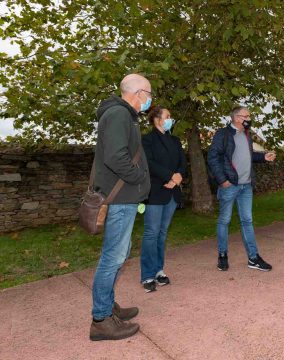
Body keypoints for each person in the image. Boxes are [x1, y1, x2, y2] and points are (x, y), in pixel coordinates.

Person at [89, 74, 151, 341]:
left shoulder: (123, 115)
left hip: (125, 198)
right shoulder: (118, 114)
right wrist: (138, 177)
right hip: (120, 198)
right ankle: (101, 320)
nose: (150, 100)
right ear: (137, 93)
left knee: (118, 255)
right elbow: (116, 157)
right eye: (149, 94)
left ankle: (107, 305)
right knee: (112, 257)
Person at [207, 106, 276, 271]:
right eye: (247, 116)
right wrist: (222, 180)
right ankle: (222, 255)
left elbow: (249, 156)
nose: (249, 118)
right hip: (229, 186)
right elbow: (212, 157)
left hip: (246, 186)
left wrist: (263, 157)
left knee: (247, 221)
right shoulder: (222, 134)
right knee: (224, 220)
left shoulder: (246, 135)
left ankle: (253, 258)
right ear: (237, 118)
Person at [140, 105, 186, 293]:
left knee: (162, 233)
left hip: (172, 192)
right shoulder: (147, 140)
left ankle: (159, 270)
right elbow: (148, 163)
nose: (170, 119)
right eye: (167, 116)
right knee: (151, 233)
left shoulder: (175, 140)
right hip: (155, 192)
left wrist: (177, 178)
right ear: (157, 119)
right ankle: (147, 275)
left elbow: (182, 162)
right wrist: (169, 176)